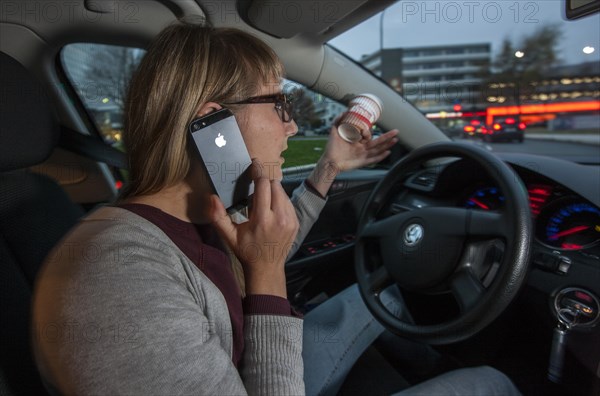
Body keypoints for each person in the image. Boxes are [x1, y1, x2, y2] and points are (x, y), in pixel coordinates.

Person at [32, 22, 520, 396]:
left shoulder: (201, 209)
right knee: (489, 383)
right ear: (212, 120)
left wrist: (329, 167)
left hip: (243, 356)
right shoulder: (121, 278)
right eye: (279, 106)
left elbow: (268, 241)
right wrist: (266, 276)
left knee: (388, 298)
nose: (290, 128)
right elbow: (264, 262)